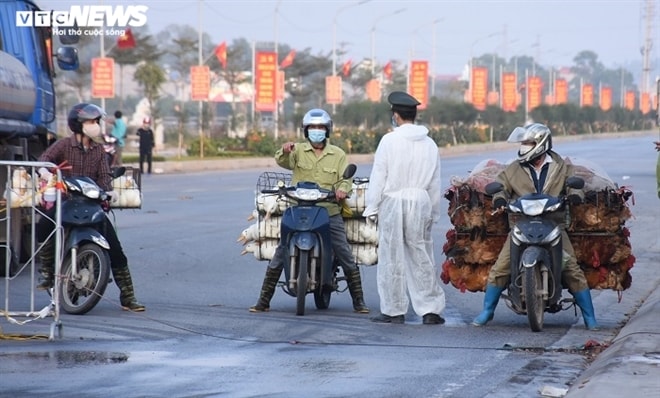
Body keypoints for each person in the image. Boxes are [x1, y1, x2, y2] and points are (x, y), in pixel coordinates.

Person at [472, 123, 598, 330]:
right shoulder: (513, 169)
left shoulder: (561, 166)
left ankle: (590, 317)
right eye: (523, 143)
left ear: (540, 143)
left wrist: (575, 195)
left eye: (528, 143)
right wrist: (499, 198)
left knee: (572, 269)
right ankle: (487, 310)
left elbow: (574, 185)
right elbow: (499, 186)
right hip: (521, 224)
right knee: (501, 267)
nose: (524, 146)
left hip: (554, 224)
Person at [249, 108, 369, 314]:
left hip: (329, 211)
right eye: (312, 128)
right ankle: (263, 300)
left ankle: (358, 301)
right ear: (305, 131)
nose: (316, 131)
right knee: (280, 251)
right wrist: (285, 150)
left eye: (320, 127)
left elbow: (346, 180)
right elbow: (282, 160)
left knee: (345, 253)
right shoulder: (296, 151)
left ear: (327, 130)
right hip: (299, 209)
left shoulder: (338, 154)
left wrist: (341, 190)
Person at [36, 103, 145, 312]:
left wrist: (108, 190)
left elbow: (105, 174)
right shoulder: (64, 145)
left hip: (92, 204)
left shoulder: (98, 150)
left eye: (96, 121)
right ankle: (48, 273)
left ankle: (128, 297)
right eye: (91, 122)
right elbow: (45, 160)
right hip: (67, 201)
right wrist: (46, 172)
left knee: (116, 249)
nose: (96, 125)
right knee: (43, 226)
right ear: (78, 124)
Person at [362, 91, 446, 325]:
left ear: (396, 116)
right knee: (421, 254)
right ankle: (430, 310)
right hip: (420, 201)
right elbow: (435, 182)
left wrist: (372, 207)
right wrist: (433, 212)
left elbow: (379, 175)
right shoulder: (430, 144)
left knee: (391, 255)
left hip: (393, 201)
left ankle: (393, 310)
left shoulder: (389, 141)